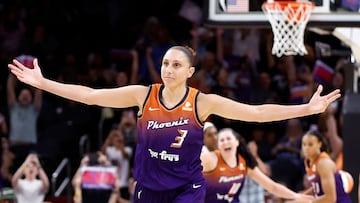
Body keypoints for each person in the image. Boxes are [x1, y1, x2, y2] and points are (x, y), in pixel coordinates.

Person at [8, 45, 341, 203]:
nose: (168, 69)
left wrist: (306, 109)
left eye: (176, 64)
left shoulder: (201, 102)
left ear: (189, 72)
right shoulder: (143, 95)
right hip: (149, 188)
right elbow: (92, 95)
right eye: (165, 63)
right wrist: (44, 83)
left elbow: (254, 113)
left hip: (187, 188)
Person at [201, 128, 312, 203]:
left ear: (237, 142)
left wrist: (296, 196)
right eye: (222, 140)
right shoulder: (210, 159)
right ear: (218, 145)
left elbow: (272, 187)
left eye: (228, 139)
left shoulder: (244, 163)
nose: (225, 142)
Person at [301, 129, 351, 203]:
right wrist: (299, 196)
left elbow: (330, 198)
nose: (306, 148)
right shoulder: (308, 162)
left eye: (310, 144)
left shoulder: (323, 163)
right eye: (304, 144)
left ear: (319, 144)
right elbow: (317, 188)